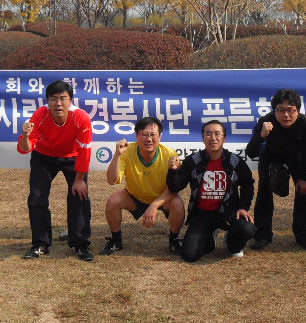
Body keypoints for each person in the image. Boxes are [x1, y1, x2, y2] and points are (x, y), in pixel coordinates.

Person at [17, 80, 94, 262]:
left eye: (63, 99)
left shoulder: (81, 117)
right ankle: (40, 243)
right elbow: (25, 148)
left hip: (72, 157)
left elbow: (85, 150)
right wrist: (26, 136)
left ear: (71, 100)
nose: (58, 104)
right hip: (44, 157)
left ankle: (80, 243)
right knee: (37, 197)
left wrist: (79, 179)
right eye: (53, 99)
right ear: (47, 101)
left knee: (79, 195)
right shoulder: (40, 115)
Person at [166, 120, 256, 262]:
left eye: (217, 134)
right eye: (208, 134)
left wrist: (243, 207)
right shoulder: (194, 160)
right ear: (203, 138)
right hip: (202, 214)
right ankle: (209, 241)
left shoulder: (235, 161)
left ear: (224, 138)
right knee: (188, 255)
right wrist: (173, 171)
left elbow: (248, 185)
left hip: (229, 212)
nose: (213, 138)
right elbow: (175, 187)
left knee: (246, 228)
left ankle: (231, 244)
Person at [245, 89, 306, 251]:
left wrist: (304, 177)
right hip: (272, 158)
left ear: (297, 110)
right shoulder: (266, 121)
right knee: (264, 191)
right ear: (274, 110)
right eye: (281, 110)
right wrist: (261, 136)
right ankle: (262, 235)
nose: (286, 115)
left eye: (290, 110)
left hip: (297, 159)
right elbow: (251, 152)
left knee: (303, 191)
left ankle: (304, 235)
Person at [102, 116, 186, 256]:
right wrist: (117, 155)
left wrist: (154, 206)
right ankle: (116, 240)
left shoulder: (170, 154)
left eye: (153, 135)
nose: (149, 139)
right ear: (137, 136)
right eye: (144, 135)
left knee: (178, 203)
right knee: (113, 201)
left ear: (160, 136)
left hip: (161, 198)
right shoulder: (127, 151)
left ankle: (174, 240)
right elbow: (112, 180)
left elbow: (174, 188)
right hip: (135, 196)